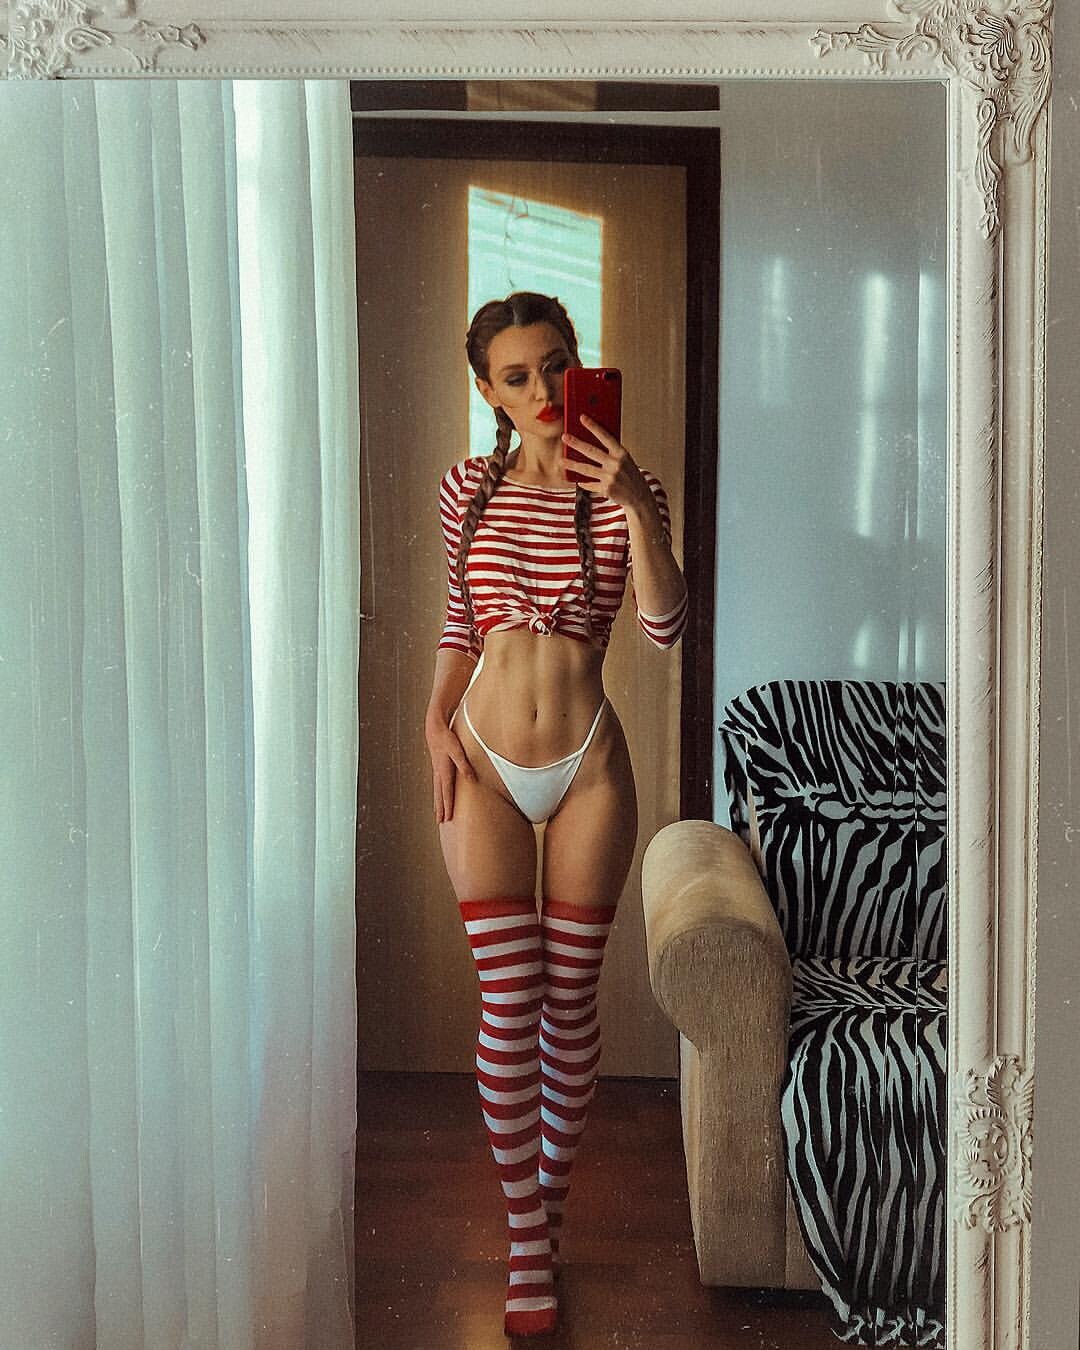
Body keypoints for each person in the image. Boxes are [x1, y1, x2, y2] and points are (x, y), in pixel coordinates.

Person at [425, 291, 688, 1337]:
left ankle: (552, 1210)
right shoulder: (468, 489)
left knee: (570, 1001)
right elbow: (458, 623)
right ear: (488, 391)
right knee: (509, 997)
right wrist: (431, 726)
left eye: (555, 366)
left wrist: (635, 507)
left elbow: (665, 628)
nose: (541, 389)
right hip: (483, 765)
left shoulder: (630, 489)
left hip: (587, 772)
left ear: (579, 368)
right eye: (517, 375)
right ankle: (526, 1238)